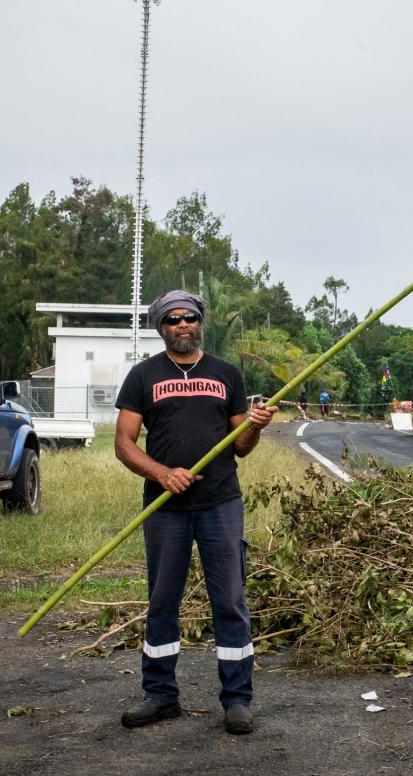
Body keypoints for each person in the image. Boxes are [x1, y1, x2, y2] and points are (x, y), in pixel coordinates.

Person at [114, 290, 277, 736]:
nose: (182, 325)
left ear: (200, 322)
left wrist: (254, 428)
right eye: (172, 320)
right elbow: (124, 444)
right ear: (161, 327)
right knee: (162, 601)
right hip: (166, 506)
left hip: (220, 503)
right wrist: (163, 474)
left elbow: (239, 446)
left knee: (229, 600)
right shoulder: (142, 376)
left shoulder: (226, 374)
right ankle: (161, 696)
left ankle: (237, 700)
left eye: (189, 318)